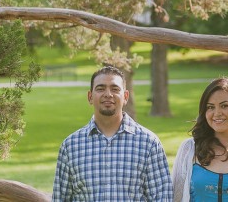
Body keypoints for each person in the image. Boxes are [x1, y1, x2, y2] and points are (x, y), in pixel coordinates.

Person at [52, 65, 173, 201]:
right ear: (90, 96)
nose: (108, 94)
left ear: (126, 96)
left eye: (115, 89)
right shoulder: (70, 147)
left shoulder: (149, 143)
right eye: (100, 88)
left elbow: (163, 198)